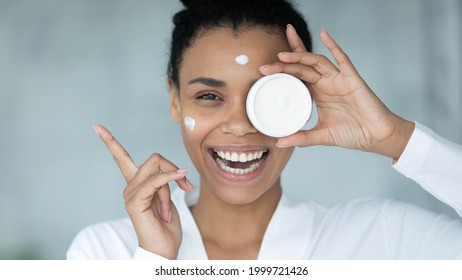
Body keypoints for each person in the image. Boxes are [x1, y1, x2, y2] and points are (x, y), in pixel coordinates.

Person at [67, 0, 462, 260]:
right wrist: (155, 264)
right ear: (175, 99)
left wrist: (395, 139)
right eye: (209, 95)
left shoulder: (384, 240)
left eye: (267, 97)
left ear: (305, 100)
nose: (240, 125)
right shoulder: (107, 252)